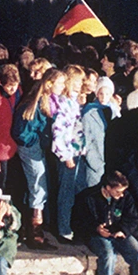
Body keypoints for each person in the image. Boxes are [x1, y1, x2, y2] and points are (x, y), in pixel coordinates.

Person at [11, 68, 64, 249]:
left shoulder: (48, 101)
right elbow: (22, 133)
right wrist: (42, 140)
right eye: (60, 83)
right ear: (49, 84)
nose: (63, 87)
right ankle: (35, 231)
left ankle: (30, 227)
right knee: (38, 185)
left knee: (36, 186)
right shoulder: (36, 103)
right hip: (30, 148)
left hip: (37, 147)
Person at [51, 64, 86, 243]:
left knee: (77, 190)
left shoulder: (73, 101)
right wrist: (66, 155)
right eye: (79, 80)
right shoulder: (64, 103)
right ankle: (63, 229)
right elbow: (59, 131)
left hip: (77, 152)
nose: (81, 83)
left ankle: (74, 226)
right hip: (69, 155)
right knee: (66, 192)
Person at [81, 76, 121, 190]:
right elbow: (87, 139)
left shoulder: (115, 112)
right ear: (97, 94)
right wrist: (95, 163)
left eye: (107, 94)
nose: (104, 97)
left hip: (111, 160)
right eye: (101, 93)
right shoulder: (89, 112)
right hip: (96, 161)